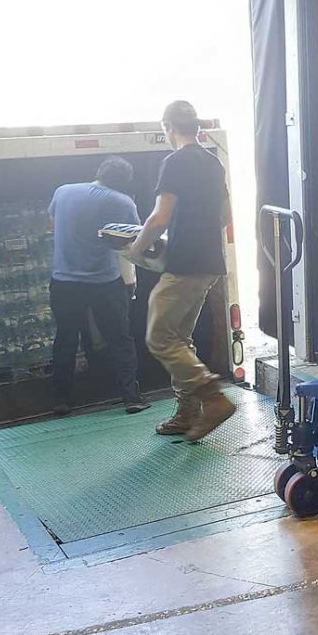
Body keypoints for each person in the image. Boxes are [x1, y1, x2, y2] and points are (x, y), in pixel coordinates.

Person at [128, 101, 235, 442]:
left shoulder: (174, 162)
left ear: (168, 127)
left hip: (185, 263)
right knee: (179, 339)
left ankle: (213, 399)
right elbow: (224, 215)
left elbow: (159, 217)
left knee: (159, 336)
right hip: (209, 265)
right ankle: (187, 412)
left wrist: (137, 248)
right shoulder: (213, 163)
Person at [48, 156, 150, 416]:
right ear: (124, 183)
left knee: (66, 339)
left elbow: (52, 224)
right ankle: (131, 397)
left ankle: (61, 400)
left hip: (63, 282)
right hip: (104, 282)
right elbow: (133, 242)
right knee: (119, 339)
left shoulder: (63, 192)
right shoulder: (122, 202)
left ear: (99, 172)